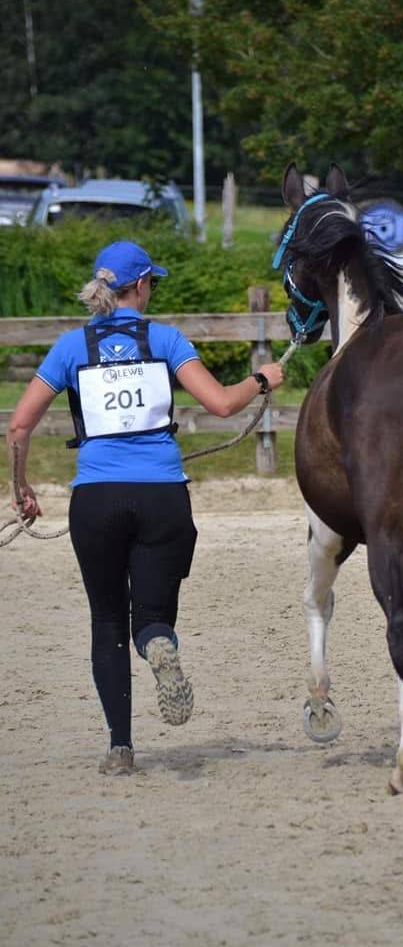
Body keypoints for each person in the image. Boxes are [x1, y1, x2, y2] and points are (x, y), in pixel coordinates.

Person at [6, 239, 284, 775]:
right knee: (151, 617)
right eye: (151, 282)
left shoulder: (70, 348)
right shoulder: (164, 339)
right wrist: (262, 379)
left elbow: (19, 426)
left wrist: (23, 489)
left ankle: (120, 747)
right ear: (139, 287)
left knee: (106, 620)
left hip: (97, 499)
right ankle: (158, 643)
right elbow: (222, 404)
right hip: (162, 496)